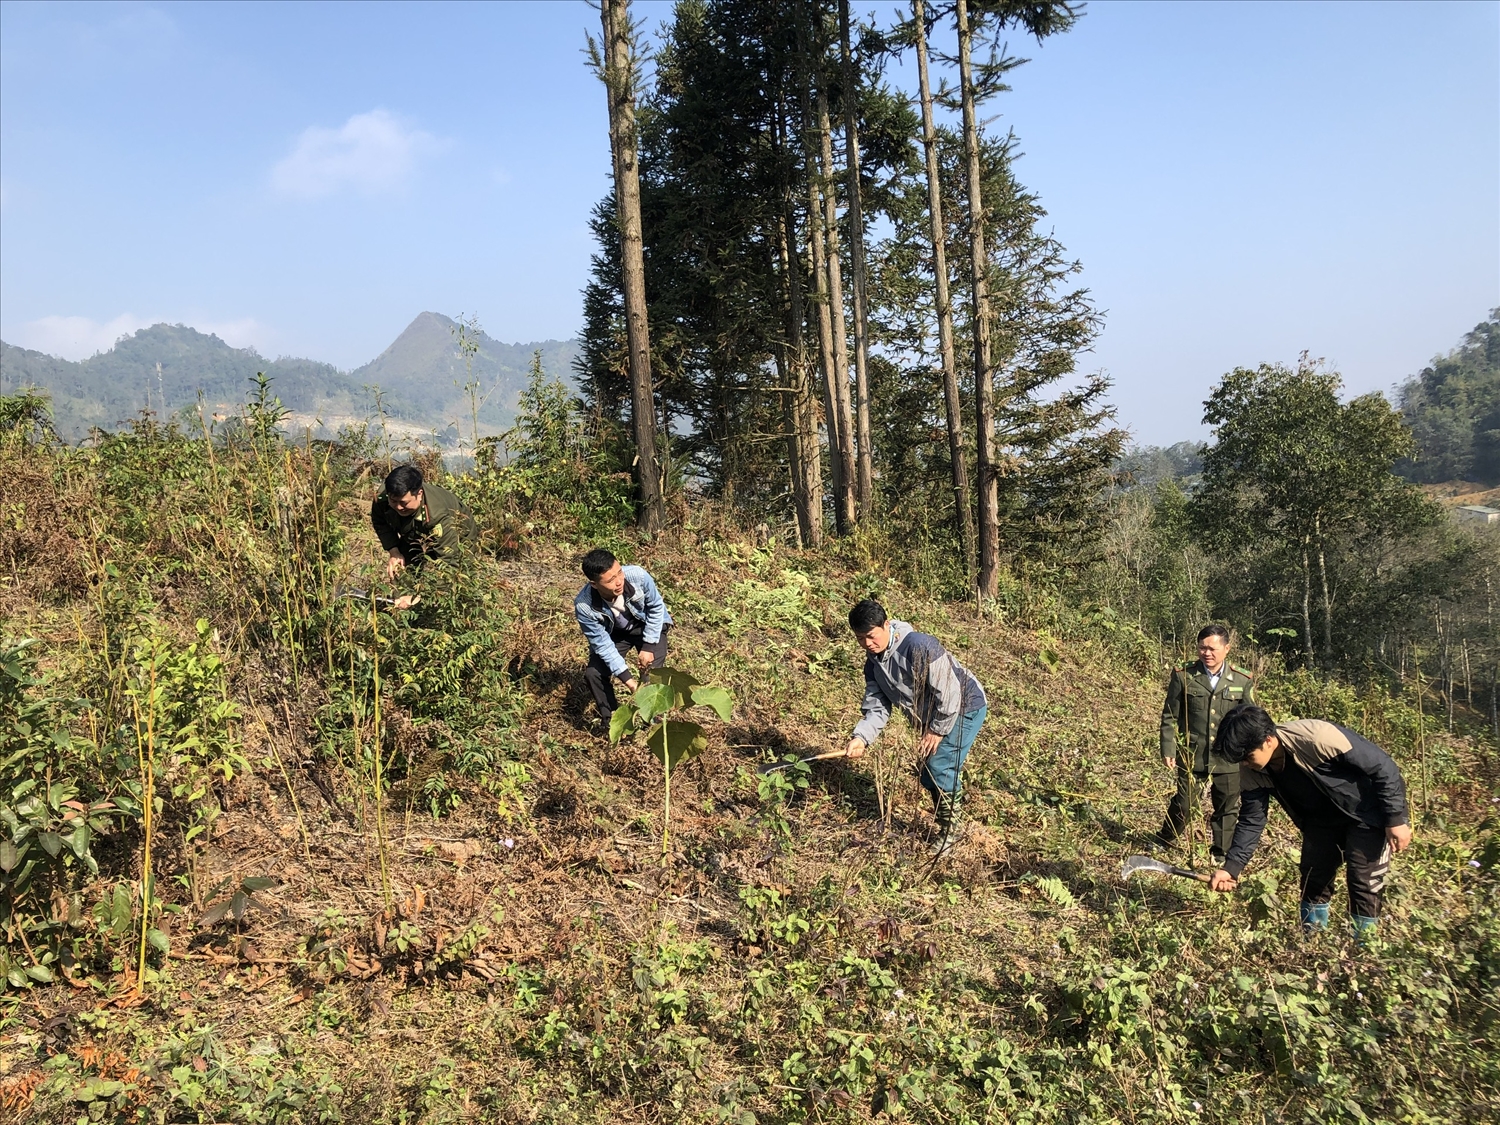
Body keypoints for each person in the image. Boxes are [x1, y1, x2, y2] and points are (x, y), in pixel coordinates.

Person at [1208, 704, 1412, 937]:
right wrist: (1232, 868)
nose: (1243, 763)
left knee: (1362, 883)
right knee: (1313, 880)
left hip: (1366, 814)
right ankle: (1313, 944)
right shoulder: (1253, 770)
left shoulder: (1317, 738)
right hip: (1320, 822)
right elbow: (1252, 820)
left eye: (1246, 756)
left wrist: (1395, 819)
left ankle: (1364, 952)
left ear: (1267, 740)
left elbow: (1382, 766)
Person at [844, 599, 988, 857]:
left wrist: (936, 729)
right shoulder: (873, 665)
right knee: (927, 771)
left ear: (886, 625)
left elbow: (951, 692)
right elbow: (877, 707)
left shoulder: (919, 646)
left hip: (964, 706)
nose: (867, 644)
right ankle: (948, 820)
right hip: (934, 716)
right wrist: (861, 738)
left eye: (871, 636)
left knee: (939, 766)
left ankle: (950, 834)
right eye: (860, 638)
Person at [1153, 625, 1256, 866]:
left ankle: (1221, 853)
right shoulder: (1183, 676)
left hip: (1228, 756)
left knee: (1226, 807)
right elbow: (1169, 715)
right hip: (1193, 753)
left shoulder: (1242, 679)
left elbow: (1250, 720)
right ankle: (1166, 839)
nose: (1206, 653)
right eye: (1202, 647)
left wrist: (1249, 753)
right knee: (1184, 803)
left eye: (1212, 648)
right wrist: (1168, 748)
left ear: (1226, 649)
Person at [574, 548, 673, 725]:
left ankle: (653, 720)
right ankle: (612, 720)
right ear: (594, 584)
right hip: (616, 633)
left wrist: (648, 646)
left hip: (647, 625)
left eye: (619, 572)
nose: (619, 581)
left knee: (652, 674)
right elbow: (603, 645)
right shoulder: (584, 606)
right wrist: (629, 681)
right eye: (611, 580)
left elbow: (656, 607)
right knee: (593, 674)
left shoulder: (638, 576)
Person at [369, 464, 477, 602]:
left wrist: (419, 597)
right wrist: (394, 552)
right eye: (393, 501)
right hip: (413, 533)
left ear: (419, 494)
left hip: (458, 535)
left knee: (462, 581)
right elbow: (380, 522)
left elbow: (450, 562)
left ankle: (462, 616)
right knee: (401, 570)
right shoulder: (382, 497)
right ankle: (402, 614)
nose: (398, 507)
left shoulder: (439, 515)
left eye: (403, 502)